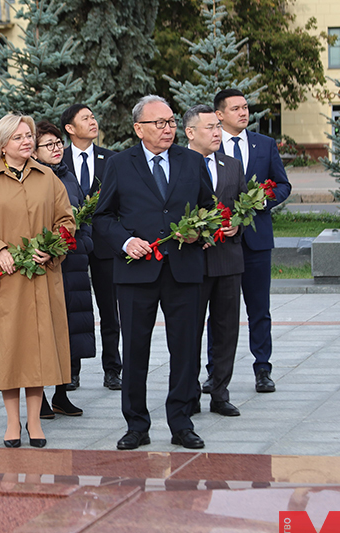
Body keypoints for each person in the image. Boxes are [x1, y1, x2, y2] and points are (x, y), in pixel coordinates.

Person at [92, 95, 214, 451]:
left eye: (171, 121)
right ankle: (136, 424)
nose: (168, 128)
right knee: (135, 351)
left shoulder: (192, 161)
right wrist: (126, 241)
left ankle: (181, 422)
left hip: (183, 269)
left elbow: (209, 210)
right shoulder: (119, 164)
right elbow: (102, 217)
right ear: (139, 129)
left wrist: (200, 232)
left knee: (185, 349)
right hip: (136, 272)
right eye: (159, 123)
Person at [0, 114, 76, 448]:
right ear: (3, 144)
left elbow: (66, 221)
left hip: (41, 278)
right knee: (8, 354)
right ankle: (13, 423)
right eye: (19, 137)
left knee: (38, 352)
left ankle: (35, 422)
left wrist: (53, 249)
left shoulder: (48, 178)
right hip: (5, 281)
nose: (27, 142)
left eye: (30, 136)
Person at [211, 88, 291, 394]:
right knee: (217, 310)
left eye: (245, 108)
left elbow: (283, 184)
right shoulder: (210, 146)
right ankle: (213, 371)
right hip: (221, 241)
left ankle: (262, 368)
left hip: (257, 240)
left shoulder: (264, 144)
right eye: (236, 109)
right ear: (219, 115)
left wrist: (262, 202)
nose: (244, 113)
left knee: (259, 308)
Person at [183, 104, 245, 418]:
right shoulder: (177, 165)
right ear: (190, 132)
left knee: (226, 330)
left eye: (218, 127)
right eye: (209, 127)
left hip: (228, 261)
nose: (217, 132)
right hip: (193, 261)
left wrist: (238, 223)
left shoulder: (232, 165)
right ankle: (189, 393)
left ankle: (220, 392)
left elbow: (243, 204)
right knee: (189, 331)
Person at [34, 120, 95, 419]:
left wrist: (85, 244)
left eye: (58, 143)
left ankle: (61, 393)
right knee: (46, 332)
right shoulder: (34, 179)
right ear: (33, 151)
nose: (57, 149)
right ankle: (40, 397)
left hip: (74, 263)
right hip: (47, 266)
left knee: (71, 331)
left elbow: (83, 214)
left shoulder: (68, 176)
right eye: (49, 145)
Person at [60, 104, 120, 392]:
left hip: (106, 244)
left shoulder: (110, 159)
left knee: (110, 309)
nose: (93, 122)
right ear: (70, 128)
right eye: (85, 119)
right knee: (75, 308)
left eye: (93, 117)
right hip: (74, 244)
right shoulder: (60, 161)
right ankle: (72, 370)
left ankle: (113, 368)